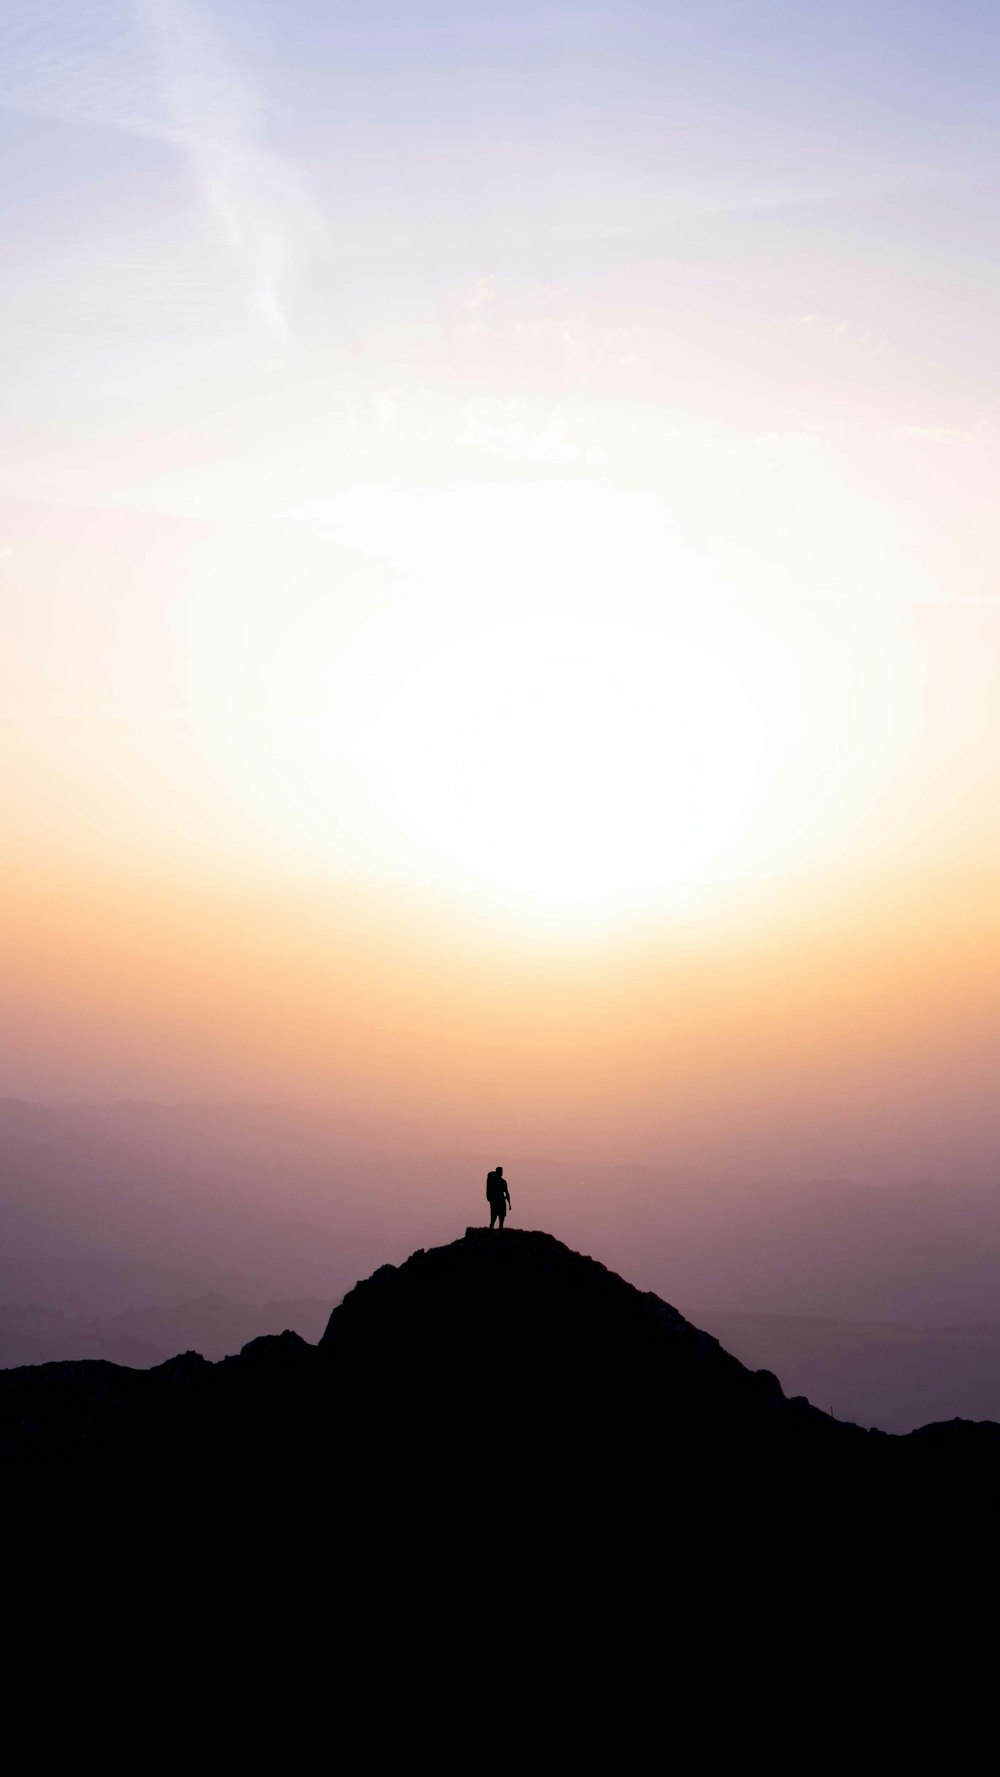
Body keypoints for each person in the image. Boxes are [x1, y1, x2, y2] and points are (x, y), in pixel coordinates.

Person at [486, 1164, 511, 1231]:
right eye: (500, 1172)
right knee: (494, 1218)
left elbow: (507, 1192)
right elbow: (507, 1193)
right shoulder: (495, 1180)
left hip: (499, 1201)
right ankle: (493, 1230)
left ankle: (499, 1228)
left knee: (500, 1217)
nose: (501, 1173)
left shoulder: (502, 1182)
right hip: (497, 1201)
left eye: (501, 1172)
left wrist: (509, 1204)